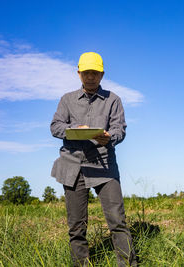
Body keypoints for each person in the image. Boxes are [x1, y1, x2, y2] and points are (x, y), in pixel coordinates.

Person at [50, 52, 137, 266]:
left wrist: (109, 137)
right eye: (86, 72)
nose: (90, 77)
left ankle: (127, 264)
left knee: (117, 221)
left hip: (104, 166)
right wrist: (74, 129)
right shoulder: (66, 100)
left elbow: (120, 129)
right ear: (79, 73)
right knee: (76, 227)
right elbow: (55, 126)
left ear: (102, 74)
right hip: (72, 166)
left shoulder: (113, 99)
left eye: (95, 73)